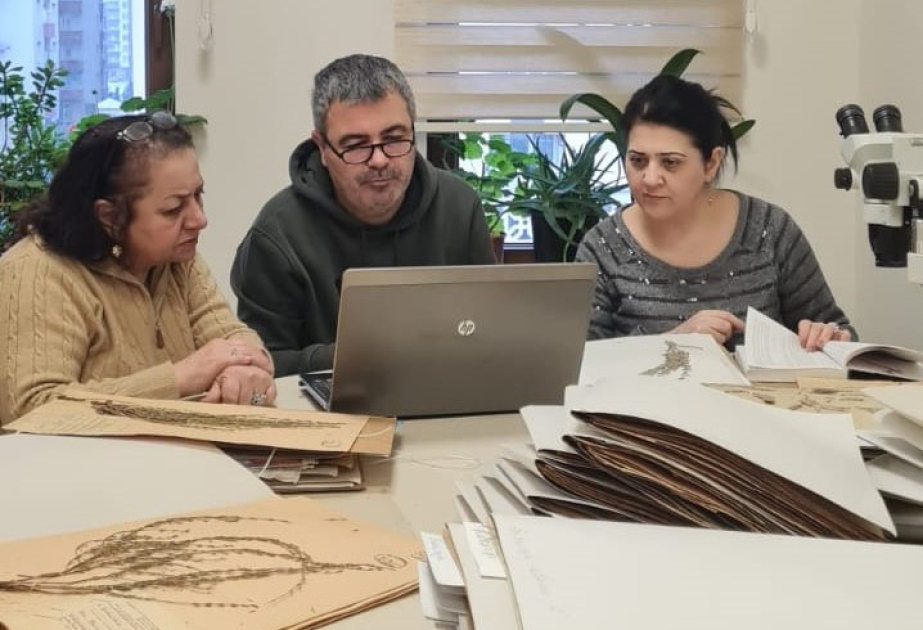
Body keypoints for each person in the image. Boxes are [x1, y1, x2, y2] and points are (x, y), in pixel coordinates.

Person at [0, 112, 276, 425]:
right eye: (173, 209)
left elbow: (230, 337)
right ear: (108, 216)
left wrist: (248, 370)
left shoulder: (175, 257)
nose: (199, 219)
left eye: (199, 195)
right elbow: (31, 409)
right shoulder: (37, 272)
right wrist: (180, 378)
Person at [231, 54, 496, 377]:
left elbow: (486, 332)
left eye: (394, 139)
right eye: (356, 145)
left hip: (447, 396)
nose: (380, 160)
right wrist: (349, 357)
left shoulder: (459, 206)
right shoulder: (277, 234)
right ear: (323, 149)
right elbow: (261, 364)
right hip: (325, 415)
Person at [576, 74, 854, 351]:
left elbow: (840, 331)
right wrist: (675, 340)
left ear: (711, 163)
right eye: (638, 160)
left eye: (670, 163)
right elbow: (580, 364)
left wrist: (829, 337)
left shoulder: (768, 230)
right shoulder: (603, 247)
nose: (649, 178)